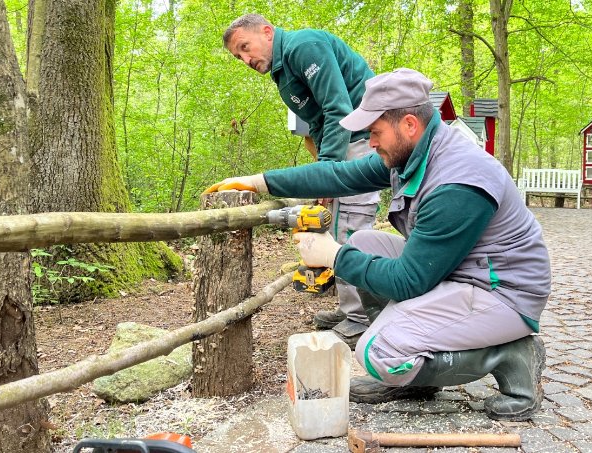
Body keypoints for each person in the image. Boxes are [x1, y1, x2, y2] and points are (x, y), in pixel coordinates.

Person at [205, 68, 551, 421]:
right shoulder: (415, 152)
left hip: (503, 293)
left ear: (409, 124)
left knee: (379, 353)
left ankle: (510, 354)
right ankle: (416, 377)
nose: (370, 142)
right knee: (365, 243)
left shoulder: (458, 180)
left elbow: (410, 280)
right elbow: (340, 174)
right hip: (463, 273)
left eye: (375, 132)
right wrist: (256, 182)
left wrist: (334, 256)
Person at [222, 14, 381, 345]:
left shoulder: (303, 46)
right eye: (239, 57)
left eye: (245, 48)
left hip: (364, 138)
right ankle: (351, 306)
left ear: (267, 32)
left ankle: (362, 317)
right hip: (342, 142)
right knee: (335, 223)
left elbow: (339, 109)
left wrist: (325, 173)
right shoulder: (282, 71)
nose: (246, 60)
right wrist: (322, 170)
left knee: (352, 225)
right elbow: (319, 123)